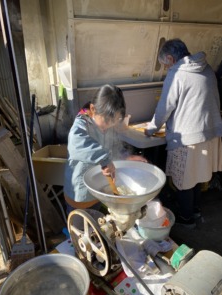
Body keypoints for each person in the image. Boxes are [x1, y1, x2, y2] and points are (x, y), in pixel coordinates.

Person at [145, 38, 222, 228]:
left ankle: (186, 218)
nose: (165, 68)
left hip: (188, 137)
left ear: (171, 58)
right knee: (197, 176)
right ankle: (195, 210)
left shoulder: (177, 73)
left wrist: (151, 128)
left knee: (183, 180)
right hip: (210, 133)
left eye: (165, 64)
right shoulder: (207, 68)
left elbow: (165, 107)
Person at [64, 84, 147, 215]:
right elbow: (78, 144)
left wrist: (126, 157)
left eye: (115, 120)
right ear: (93, 109)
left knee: (97, 226)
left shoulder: (106, 125)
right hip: (80, 195)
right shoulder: (81, 125)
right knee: (80, 230)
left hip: (97, 191)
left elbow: (113, 147)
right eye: (107, 120)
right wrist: (105, 159)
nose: (110, 125)